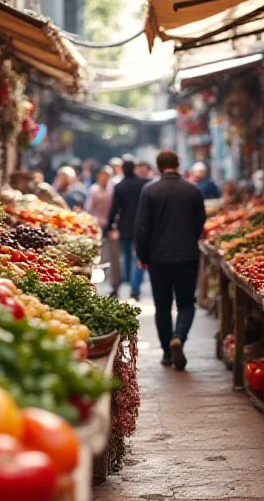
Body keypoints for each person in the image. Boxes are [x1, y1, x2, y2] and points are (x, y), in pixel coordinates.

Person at [135, 150, 206, 370]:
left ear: (158, 166)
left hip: (158, 259)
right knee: (186, 302)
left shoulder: (150, 191)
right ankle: (179, 337)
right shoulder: (192, 190)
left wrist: (142, 255)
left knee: (162, 306)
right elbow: (200, 223)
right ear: (178, 164)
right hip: (186, 256)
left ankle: (167, 352)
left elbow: (142, 227)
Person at [105, 159, 148, 301]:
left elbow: (114, 208)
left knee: (126, 256)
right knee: (140, 256)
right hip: (141, 226)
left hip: (125, 226)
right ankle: (135, 288)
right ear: (134, 168)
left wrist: (110, 225)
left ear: (123, 169)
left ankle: (128, 281)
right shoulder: (143, 185)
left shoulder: (120, 186)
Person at [86, 167, 121, 296]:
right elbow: (89, 208)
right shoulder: (93, 190)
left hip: (111, 226)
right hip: (96, 226)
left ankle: (115, 284)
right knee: (96, 257)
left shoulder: (113, 190)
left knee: (114, 256)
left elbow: (117, 208)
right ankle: (94, 285)